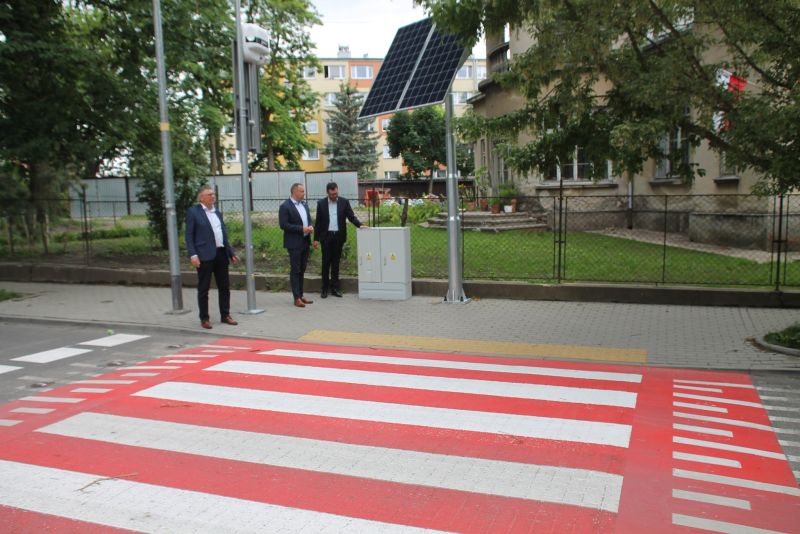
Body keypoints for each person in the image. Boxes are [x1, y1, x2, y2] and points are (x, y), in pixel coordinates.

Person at [185, 185, 239, 329]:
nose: (213, 197)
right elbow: (189, 235)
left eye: (213, 194)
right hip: (204, 255)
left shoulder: (217, 213)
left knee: (224, 287)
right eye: (209, 194)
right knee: (204, 288)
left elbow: (223, 235)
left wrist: (231, 253)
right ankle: (204, 318)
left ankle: (225, 315)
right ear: (201, 197)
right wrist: (193, 254)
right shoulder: (193, 212)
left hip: (220, 254)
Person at [313, 182, 366, 298]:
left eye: (336, 193)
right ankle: (324, 289)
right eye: (332, 194)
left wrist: (360, 225)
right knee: (326, 263)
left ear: (337, 191)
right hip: (326, 237)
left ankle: (335, 288)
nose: (334, 196)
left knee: (336, 263)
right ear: (327, 193)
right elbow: (318, 222)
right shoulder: (321, 203)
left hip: (338, 237)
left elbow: (351, 217)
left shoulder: (344, 202)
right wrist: (316, 239)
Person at [279, 183, 315, 308]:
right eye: (302, 191)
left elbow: (308, 219)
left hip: (305, 241)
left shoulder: (304, 204)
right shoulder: (285, 206)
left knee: (302, 268)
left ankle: (301, 294)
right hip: (294, 243)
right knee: (296, 269)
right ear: (295, 192)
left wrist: (310, 226)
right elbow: (283, 225)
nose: (304, 193)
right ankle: (296, 298)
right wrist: (301, 229)